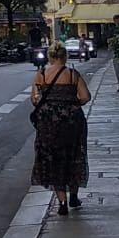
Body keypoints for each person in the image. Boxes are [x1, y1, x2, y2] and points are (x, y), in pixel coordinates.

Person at [31, 41, 92, 216]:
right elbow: (86, 96)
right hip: (72, 121)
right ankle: (74, 195)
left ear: (50, 57)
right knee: (73, 156)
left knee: (54, 158)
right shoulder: (73, 74)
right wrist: (72, 104)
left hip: (49, 123)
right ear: (65, 57)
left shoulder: (41, 74)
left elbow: (35, 99)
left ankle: (62, 202)